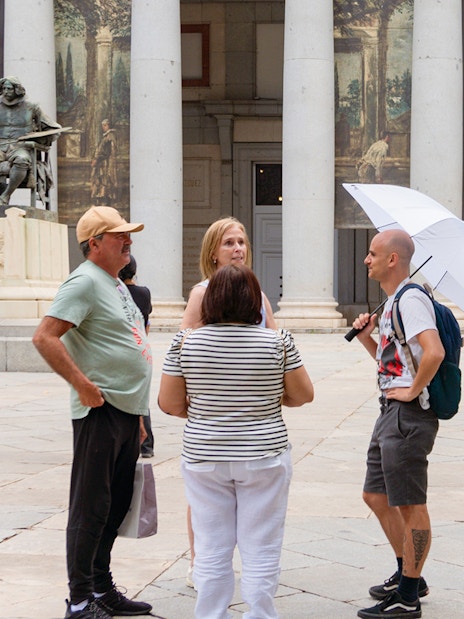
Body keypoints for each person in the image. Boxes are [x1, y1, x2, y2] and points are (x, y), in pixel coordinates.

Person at [158, 263, 314, 619]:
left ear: (210, 300)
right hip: (264, 455)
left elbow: (168, 403)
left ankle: (211, 614)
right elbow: (303, 395)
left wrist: (206, 412)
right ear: (254, 302)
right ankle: (260, 614)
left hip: (204, 455)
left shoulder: (185, 342)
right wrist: (269, 402)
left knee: (211, 545)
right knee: (262, 544)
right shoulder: (278, 341)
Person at [32, 206, 156, 619]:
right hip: (100, 410)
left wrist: (138, 415)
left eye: (129, 235)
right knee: (90, 506)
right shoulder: (83, 281)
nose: (129, 241)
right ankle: (80, 599)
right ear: (95, 243)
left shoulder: (114, 283)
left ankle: (101, 588)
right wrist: (81, 384)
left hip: (125, 410)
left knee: (115, 504)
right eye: (120, 235)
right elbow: (45, 336)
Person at [352, 229, 445, 619]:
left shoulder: (411, 300)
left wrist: (411, 392)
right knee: (375, 495)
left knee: (410, 504)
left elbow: (434, 352)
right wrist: (366, 338)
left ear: (393, 259)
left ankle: (408, 597)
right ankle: (412, 575)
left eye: (373, 254)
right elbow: (392, 363)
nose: (366, 260)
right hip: (389, 411)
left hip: (408, 416)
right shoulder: (393, 302)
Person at [181, 216, 277, 588]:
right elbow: (185, 347)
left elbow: (276, 345)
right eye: (229, 243)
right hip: (213, 411)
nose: (238, 248)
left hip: (253, 413)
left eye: (241, 241)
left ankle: (248, 569)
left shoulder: (259, 294)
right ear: (213, 254)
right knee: (205, 497)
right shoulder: (202, 293)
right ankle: (198, 560)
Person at [0, 75, 62, 210]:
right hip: (1, 146)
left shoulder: (31, 107)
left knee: (22, 160)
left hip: (21, 146)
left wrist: (37, 140)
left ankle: (5, 195)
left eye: (9, 89)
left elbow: (54, 129)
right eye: (4, 88)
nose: (6, 91)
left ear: (17, 90)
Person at [119, 254, 155, 458]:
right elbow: (146, 317)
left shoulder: (117, 292)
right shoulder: (143, 293)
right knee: (142, 396)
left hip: (123, 345)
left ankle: (131, 440)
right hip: (141, 344)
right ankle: (147, 444)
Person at [90, 119, 118, 205]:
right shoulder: (107, 136)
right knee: (101, 178)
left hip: (106, 162)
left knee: (105, 178)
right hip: (104, 161)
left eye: (105, 125)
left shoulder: (109, 137)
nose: (103, 127)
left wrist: (97, 159)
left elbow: (106, 152)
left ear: (109, 126)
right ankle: (102, 196)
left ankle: (105, 197)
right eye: (103, 125)